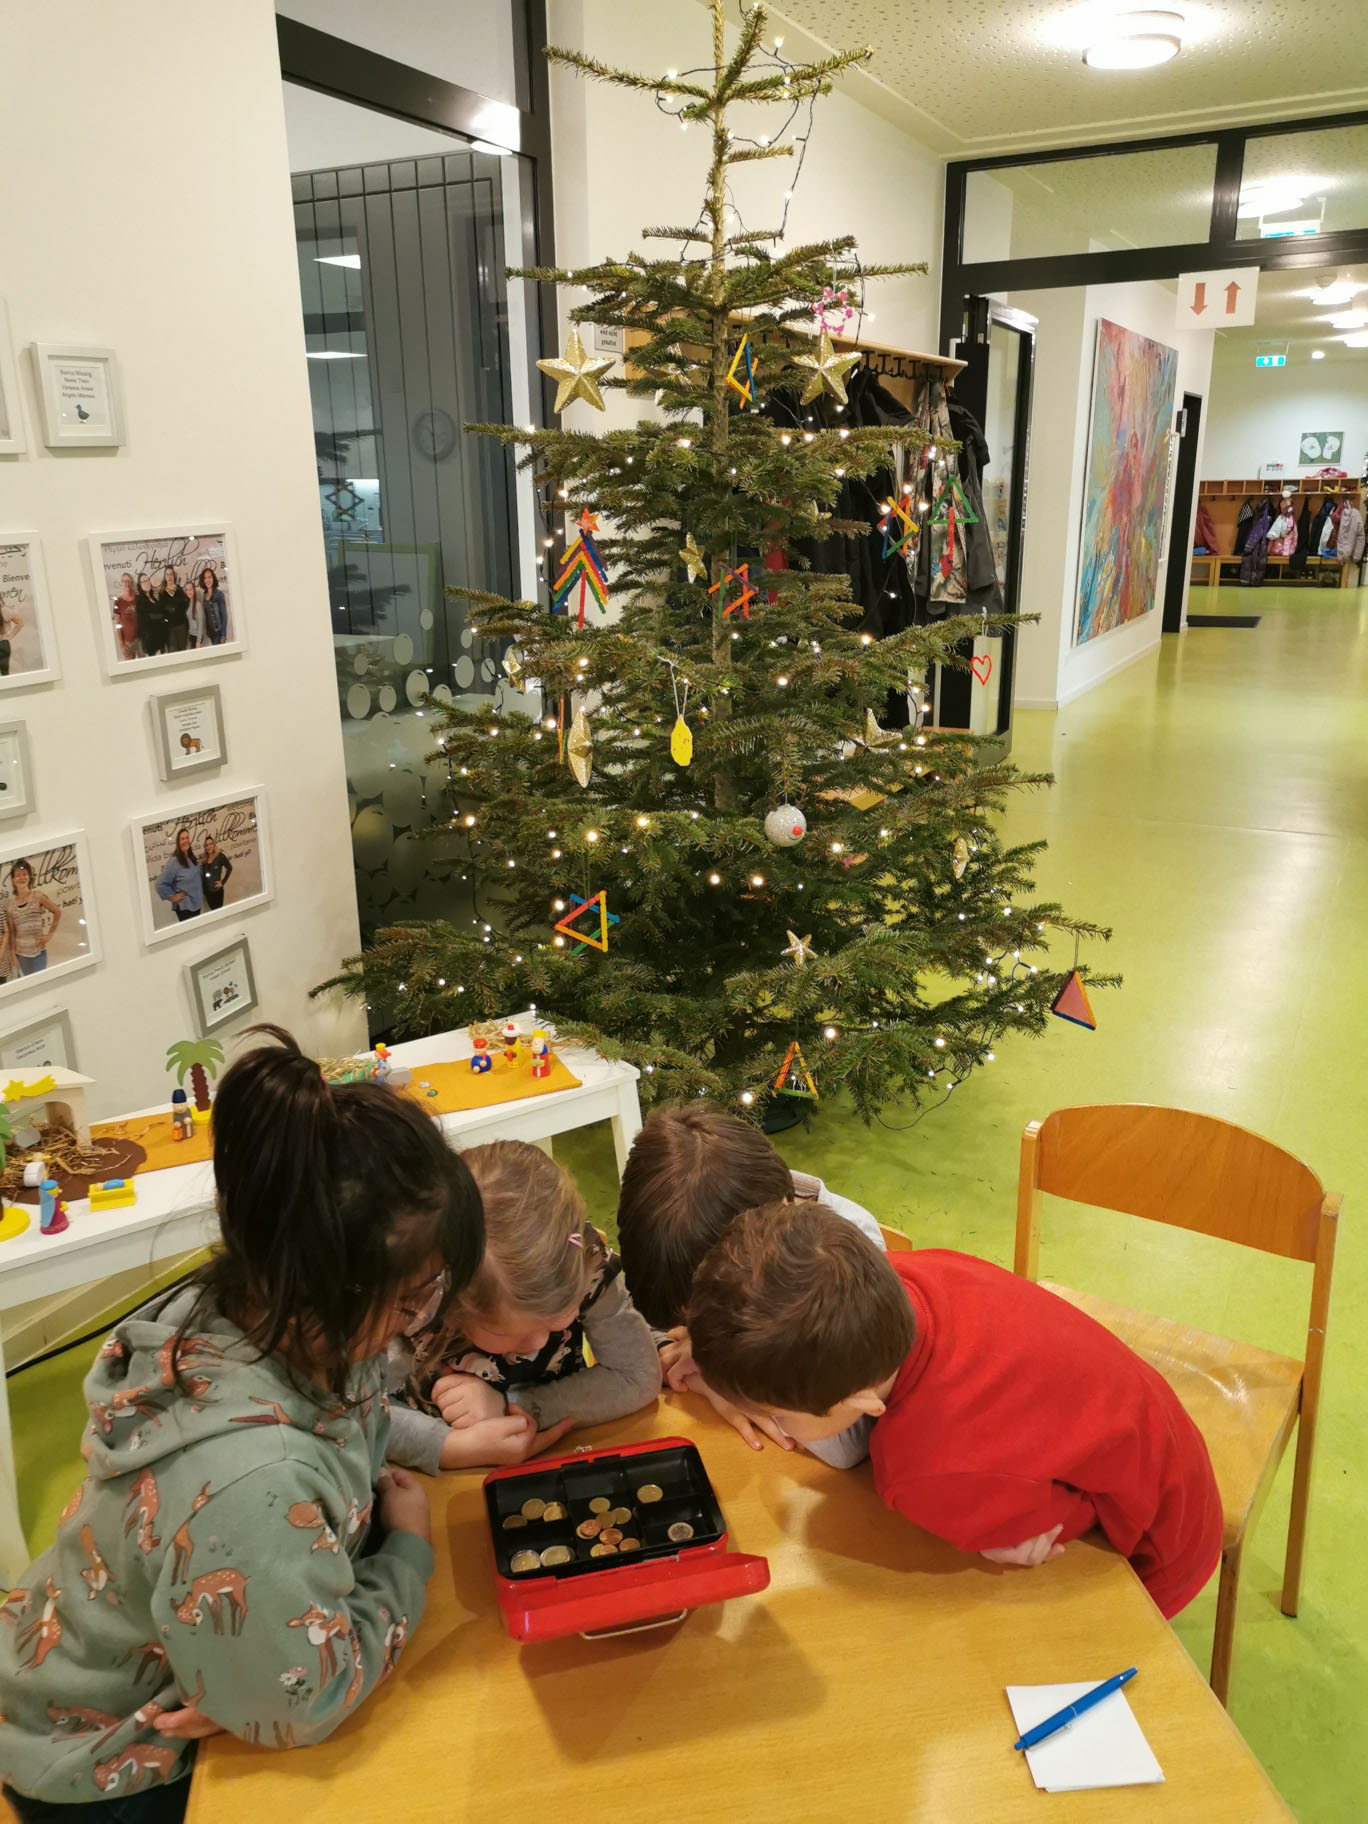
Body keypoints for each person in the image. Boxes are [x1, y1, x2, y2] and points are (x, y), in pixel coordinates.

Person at [0, 1026, 485, 1821]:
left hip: (124, 1654)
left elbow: (340, 1423)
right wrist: (408, 1553)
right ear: (322, 1289)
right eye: (415, 1295)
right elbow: (301, 1701)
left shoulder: (262, 1311)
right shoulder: (249, 1484)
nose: (423, 1316)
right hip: (106, 1763)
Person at [687, 1204, 1224, 1621]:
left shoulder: (926, 1469)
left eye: (782, 1418)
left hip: (1154, 1551)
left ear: (861, 1402)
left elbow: (1058, 1524)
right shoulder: (898, 1279)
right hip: (1167, 1443)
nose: (781, 1430)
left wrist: (999, 1535)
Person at [615, 1102, 883, 1464]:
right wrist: (673, 1349)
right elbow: (628, 1322)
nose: (691, 1323)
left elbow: (849, 1442)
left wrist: (724, 1383)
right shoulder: (674, 1247)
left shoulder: (849, 1256)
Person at [387, 1140, 660, 1472]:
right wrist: (451, 1446)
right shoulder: (413, 1299)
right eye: (512, 1333)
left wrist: (511, 1407)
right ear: (455, 1304)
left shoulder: (584, 1262)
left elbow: (637, 1376)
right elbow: (347, 1413)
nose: (540, 1343)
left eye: (559, 1320)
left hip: (550, 1458)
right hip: (441, 1478)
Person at [3, 858, 60, 976]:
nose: (21, 878)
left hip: (39, 952)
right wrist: (13, 953)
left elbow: (57, 911)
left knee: (40, 983)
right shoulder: (10, 907)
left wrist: (50, 935)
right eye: (18, 875)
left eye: (24, 874)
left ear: (29, 877)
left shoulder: (38, 896)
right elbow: (12, 932)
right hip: (21, 954)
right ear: (13, 880)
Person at [155, 828, 203, 922]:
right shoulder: (175, 861)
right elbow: (159, 884)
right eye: (182, 839)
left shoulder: (190, 857)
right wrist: (172, 897)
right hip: (185, 907)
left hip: (196, 903)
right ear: (178, 842)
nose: (185, 841)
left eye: (187, 838)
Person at [135, 571, 166, 659]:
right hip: (151, 641)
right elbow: (146, 618)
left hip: (159, 637)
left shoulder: (153, 597)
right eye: (143, 581)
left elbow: (159, 613)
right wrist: (160, 617)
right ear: (139, 585)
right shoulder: (140, 600)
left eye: (147, 580)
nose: (146, 583)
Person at [159, 565, 190, 654]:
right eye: (167, 574)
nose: (169, 577)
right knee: (173, 653)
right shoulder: (162, 593)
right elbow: (162, 611)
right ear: (165, 577)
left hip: (182, 626)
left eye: (171, 574)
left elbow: (185, 605)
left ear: (174, 576)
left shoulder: (180, 589)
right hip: (170, 629)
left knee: (183, 652)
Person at [111, 571, 140, 661]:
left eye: (129, 581)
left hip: (141, 640)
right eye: (125, 581)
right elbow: (118, 624)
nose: (127, 583)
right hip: (127, 643)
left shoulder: (138, 598)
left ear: (132, 583)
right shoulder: (118, 601)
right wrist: (121, 644)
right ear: (122, 583)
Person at [201, 835, 233, 913]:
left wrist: (222, 882)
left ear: (214, 845)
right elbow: (203, 877)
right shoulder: (204, 860)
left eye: (211, 844)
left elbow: (229, 868)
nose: (209, 846)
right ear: (205, 847)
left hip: (217, 892)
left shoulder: (220, 857)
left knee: (219, 912)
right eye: (207, 845)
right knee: (212, 911)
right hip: (208, 893)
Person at [198, 566, 228, 646]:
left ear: (213, 578)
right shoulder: (204, 594)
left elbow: (224, 616)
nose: (207, 580)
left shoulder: (219, 594)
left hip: (219, 632)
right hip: (211, 634)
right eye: (205, 578)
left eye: (209, 577)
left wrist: (223, 636)